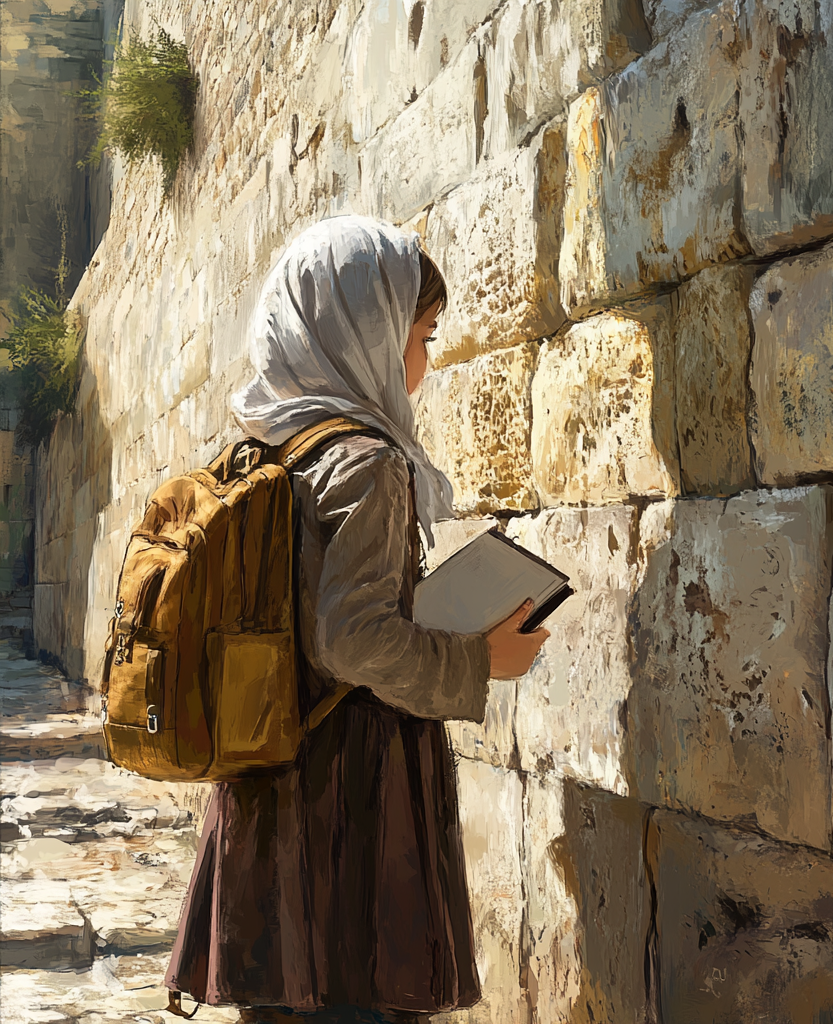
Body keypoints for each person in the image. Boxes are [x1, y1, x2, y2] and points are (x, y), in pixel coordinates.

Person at [164, 216, 550, 1023]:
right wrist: (482, 661)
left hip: (274, 785)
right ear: (367, 333)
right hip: (351, 807)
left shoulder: (275, 449)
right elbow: (352, 638)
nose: (427, 359)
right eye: (423, 335)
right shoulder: (368, 463)